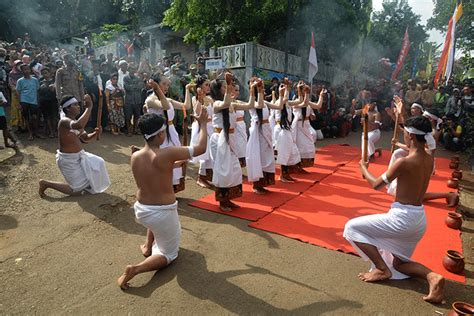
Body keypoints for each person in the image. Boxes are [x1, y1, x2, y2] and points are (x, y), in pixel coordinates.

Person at [343, 115, 444, 304]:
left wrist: (364, 168)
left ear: (411, 136)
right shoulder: (430, 159)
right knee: (400, 263)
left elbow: (376, 185)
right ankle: (433, 277)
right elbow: (418, 145)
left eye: (405, 132)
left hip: (402, 220)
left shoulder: (404, 162)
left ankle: (381, 269)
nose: (404, 135)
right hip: (419, 220)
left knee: (351, 228)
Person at [117, 109, 209, 290]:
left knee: (155, 224)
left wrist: (177, 163)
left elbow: (157, 169)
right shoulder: (167, 153)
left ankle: (147, 245)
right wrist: (204, 124)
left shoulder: (135, 156)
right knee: (169, 254)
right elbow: (201, 148)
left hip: (142, 210)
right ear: (160, 134)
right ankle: (135, 269)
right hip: (162, 213)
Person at [38, 95, 110, 197]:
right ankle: (46, 183)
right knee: (77, 191)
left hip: (80, 156)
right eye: (75, 105)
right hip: (68, 160)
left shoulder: (75, 121)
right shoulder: (64, 122)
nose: (78, 106)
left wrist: (96, 134)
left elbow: (85, 138)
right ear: (67, 108)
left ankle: (83, 182)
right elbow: (78, 125)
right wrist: (89, 108)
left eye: (78, 104)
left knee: (99, 162)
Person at [16, 64, 41, 140]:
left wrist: (38, 101)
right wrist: (19, 103)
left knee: (35, 117)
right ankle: (30, 134)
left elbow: (37, 91)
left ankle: (36, 132)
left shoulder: (35, 80)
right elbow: (18, 92)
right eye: (24, 69)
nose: (26, 71)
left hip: (34, 101)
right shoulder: (20, 81)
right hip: (24, 101)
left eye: (27, 69)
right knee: (26, 118)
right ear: (22, 71)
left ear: (30, 70)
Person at [123, 64, 144, 136]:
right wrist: (135, 86)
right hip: (129, 100)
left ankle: (135, 129)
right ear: (128, 70)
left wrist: (132, 86)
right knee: (128, 117)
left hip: (137, 100)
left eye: (133, 69)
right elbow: (127, 88)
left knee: (137, 116)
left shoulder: (138, 78)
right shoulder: (125, 78)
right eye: (131, 69)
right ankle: (129, 131)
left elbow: (140, 86)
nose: (132, 70)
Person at [38, 67, 58, 138]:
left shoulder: (54, 81)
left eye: (46, 73)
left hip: (53, 101)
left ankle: (55, 131)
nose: (45, 75)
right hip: (44, 102)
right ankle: (51, 131)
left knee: (54, 117)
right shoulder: (40, 82)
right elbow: (39, 93)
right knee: (47, 117)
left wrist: (54, 88)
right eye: (43, 73)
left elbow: (57, 91)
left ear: (50, 73)